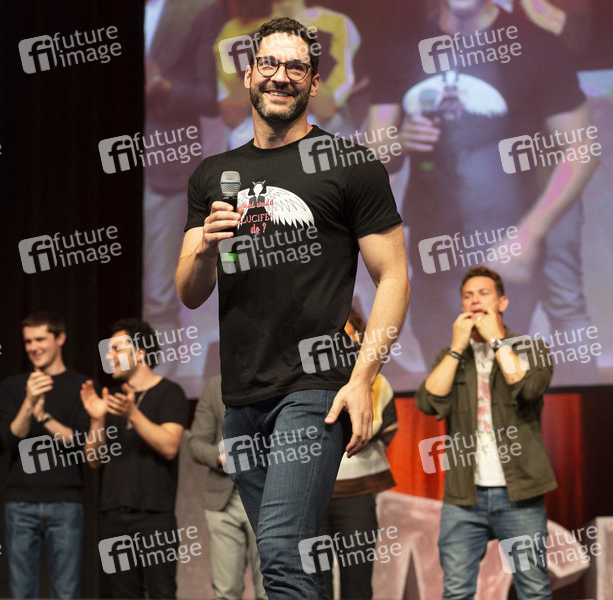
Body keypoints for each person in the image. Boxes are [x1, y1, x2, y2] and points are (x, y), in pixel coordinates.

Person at [176, 16, 409, 598]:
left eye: (296, 67)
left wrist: (363, 379)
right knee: (290, 564)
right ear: (249, 74)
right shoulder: (213, 175)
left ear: (314, 80)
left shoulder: (350, 165)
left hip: (314, 389)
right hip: (241, 400)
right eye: (269, 64)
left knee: (281, 554)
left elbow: (394, 277)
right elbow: (189, 290)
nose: (281, 77)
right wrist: (204, 247)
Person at [369, 0, 599, 385]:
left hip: (508, 244)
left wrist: (528, 236)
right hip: (435, 248)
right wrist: (400, 140)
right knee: (445, 380)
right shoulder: (401, 48)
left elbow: (582, 150)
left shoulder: (534, 45)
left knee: (507, 385)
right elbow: (373, 153)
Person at [415, 265, 556, 600]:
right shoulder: (450, 356)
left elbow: (528, 388)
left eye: (483, 294)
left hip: (520, 492)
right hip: (464, 495)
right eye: (467, 296)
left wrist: (496, 340)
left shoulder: (530, 348)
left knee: (534, 590)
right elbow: (427, 402)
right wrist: (456, 348)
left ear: (502, 302)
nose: (474, 301)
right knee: (456, 591)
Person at [80, 318, 188, 599]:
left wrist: (133, 415)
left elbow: (169, 446)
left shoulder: (170, 392)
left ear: (140, 353)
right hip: (113, 515)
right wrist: (97, 419)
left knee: (162, 593)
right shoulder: (112, 398)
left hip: (154, 515)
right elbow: (93, 459)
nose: (109, 356)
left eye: (116, 349)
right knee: (121, 594)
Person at [143, 0, 227, 340]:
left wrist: (164, 88)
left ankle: (161, 367)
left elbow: (212, 96)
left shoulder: (197, 10)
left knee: (159, 297)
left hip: (165, 164)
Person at [0, 312, 89, 599]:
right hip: (20, 502)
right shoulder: (13, 386)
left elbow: (81, 443)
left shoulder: (82, 386)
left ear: (60, 338)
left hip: (65, 502)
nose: (33, 347)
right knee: (21, 593)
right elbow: (9, 439)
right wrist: (29, 403)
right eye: (28, 341)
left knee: (66, 592)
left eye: (40, 339)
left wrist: (44, 417)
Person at [319, 306, 398, 600]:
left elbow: (384, 429)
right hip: (312, 494)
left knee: (357, 582)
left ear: (359, 339)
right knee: (315, 583)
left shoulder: (376, 384)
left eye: (347, 336)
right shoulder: (306, 385)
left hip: (357, 494)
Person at [216, 0, 361, 148]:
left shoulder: (337, 24)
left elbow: (326, 109)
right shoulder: (233, 33)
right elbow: (232, 115)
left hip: (319, 139)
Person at [189, 375, 266, 600]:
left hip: (266, 494)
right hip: (223, 498)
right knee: (225, 592)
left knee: (270, 590)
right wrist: (221, 456)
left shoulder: (273, 376)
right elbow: (196, 442)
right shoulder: (215, 385)